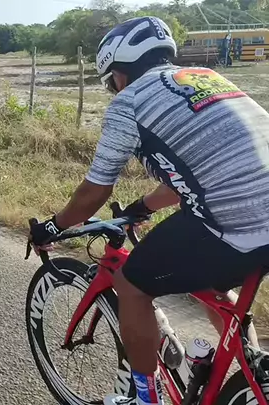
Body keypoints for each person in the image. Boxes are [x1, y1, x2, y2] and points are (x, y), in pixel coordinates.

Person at [27, 16, 269, 405]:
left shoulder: (130, 101)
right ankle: (253, 372)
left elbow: (94, 192)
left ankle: (145, 397)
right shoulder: (206, 78)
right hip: (257, 213)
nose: (114, 89)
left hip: (236, 222)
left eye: (111, 83)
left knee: (131, 285)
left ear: (119, 73)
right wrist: (140, 206)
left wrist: (52, 228)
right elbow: (194, 173)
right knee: (216, 282)